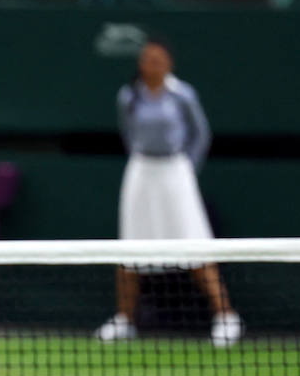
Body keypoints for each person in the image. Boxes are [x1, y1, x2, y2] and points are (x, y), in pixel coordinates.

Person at [96, 38, 243, 347]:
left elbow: (200, 133)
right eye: (148, 59)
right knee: (130, 248)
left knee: (195, 244)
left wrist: (186, 168)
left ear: (169, 63)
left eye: (159, 59)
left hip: (176, 172)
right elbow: (128, 132)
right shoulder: (129, 96)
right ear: (140, 64)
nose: (153, 64)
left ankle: (226, 317)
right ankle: (124, 320)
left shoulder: (183, 94)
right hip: (141, 171)